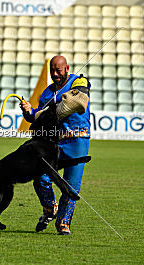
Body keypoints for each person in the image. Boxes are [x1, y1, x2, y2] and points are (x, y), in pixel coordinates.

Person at [19, 55, 91, 235]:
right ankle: (50, 208)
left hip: (77, 140)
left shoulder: (79, 81)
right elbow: (38, 119)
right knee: (40, 178)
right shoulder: (46, 93)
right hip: (53, 142)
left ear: (67, 68)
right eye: (52, 70)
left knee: (72, 185)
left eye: (59, 70)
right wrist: (29, 113)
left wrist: (46, 114)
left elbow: (76, 102)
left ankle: (63, 223)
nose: (55, 74)